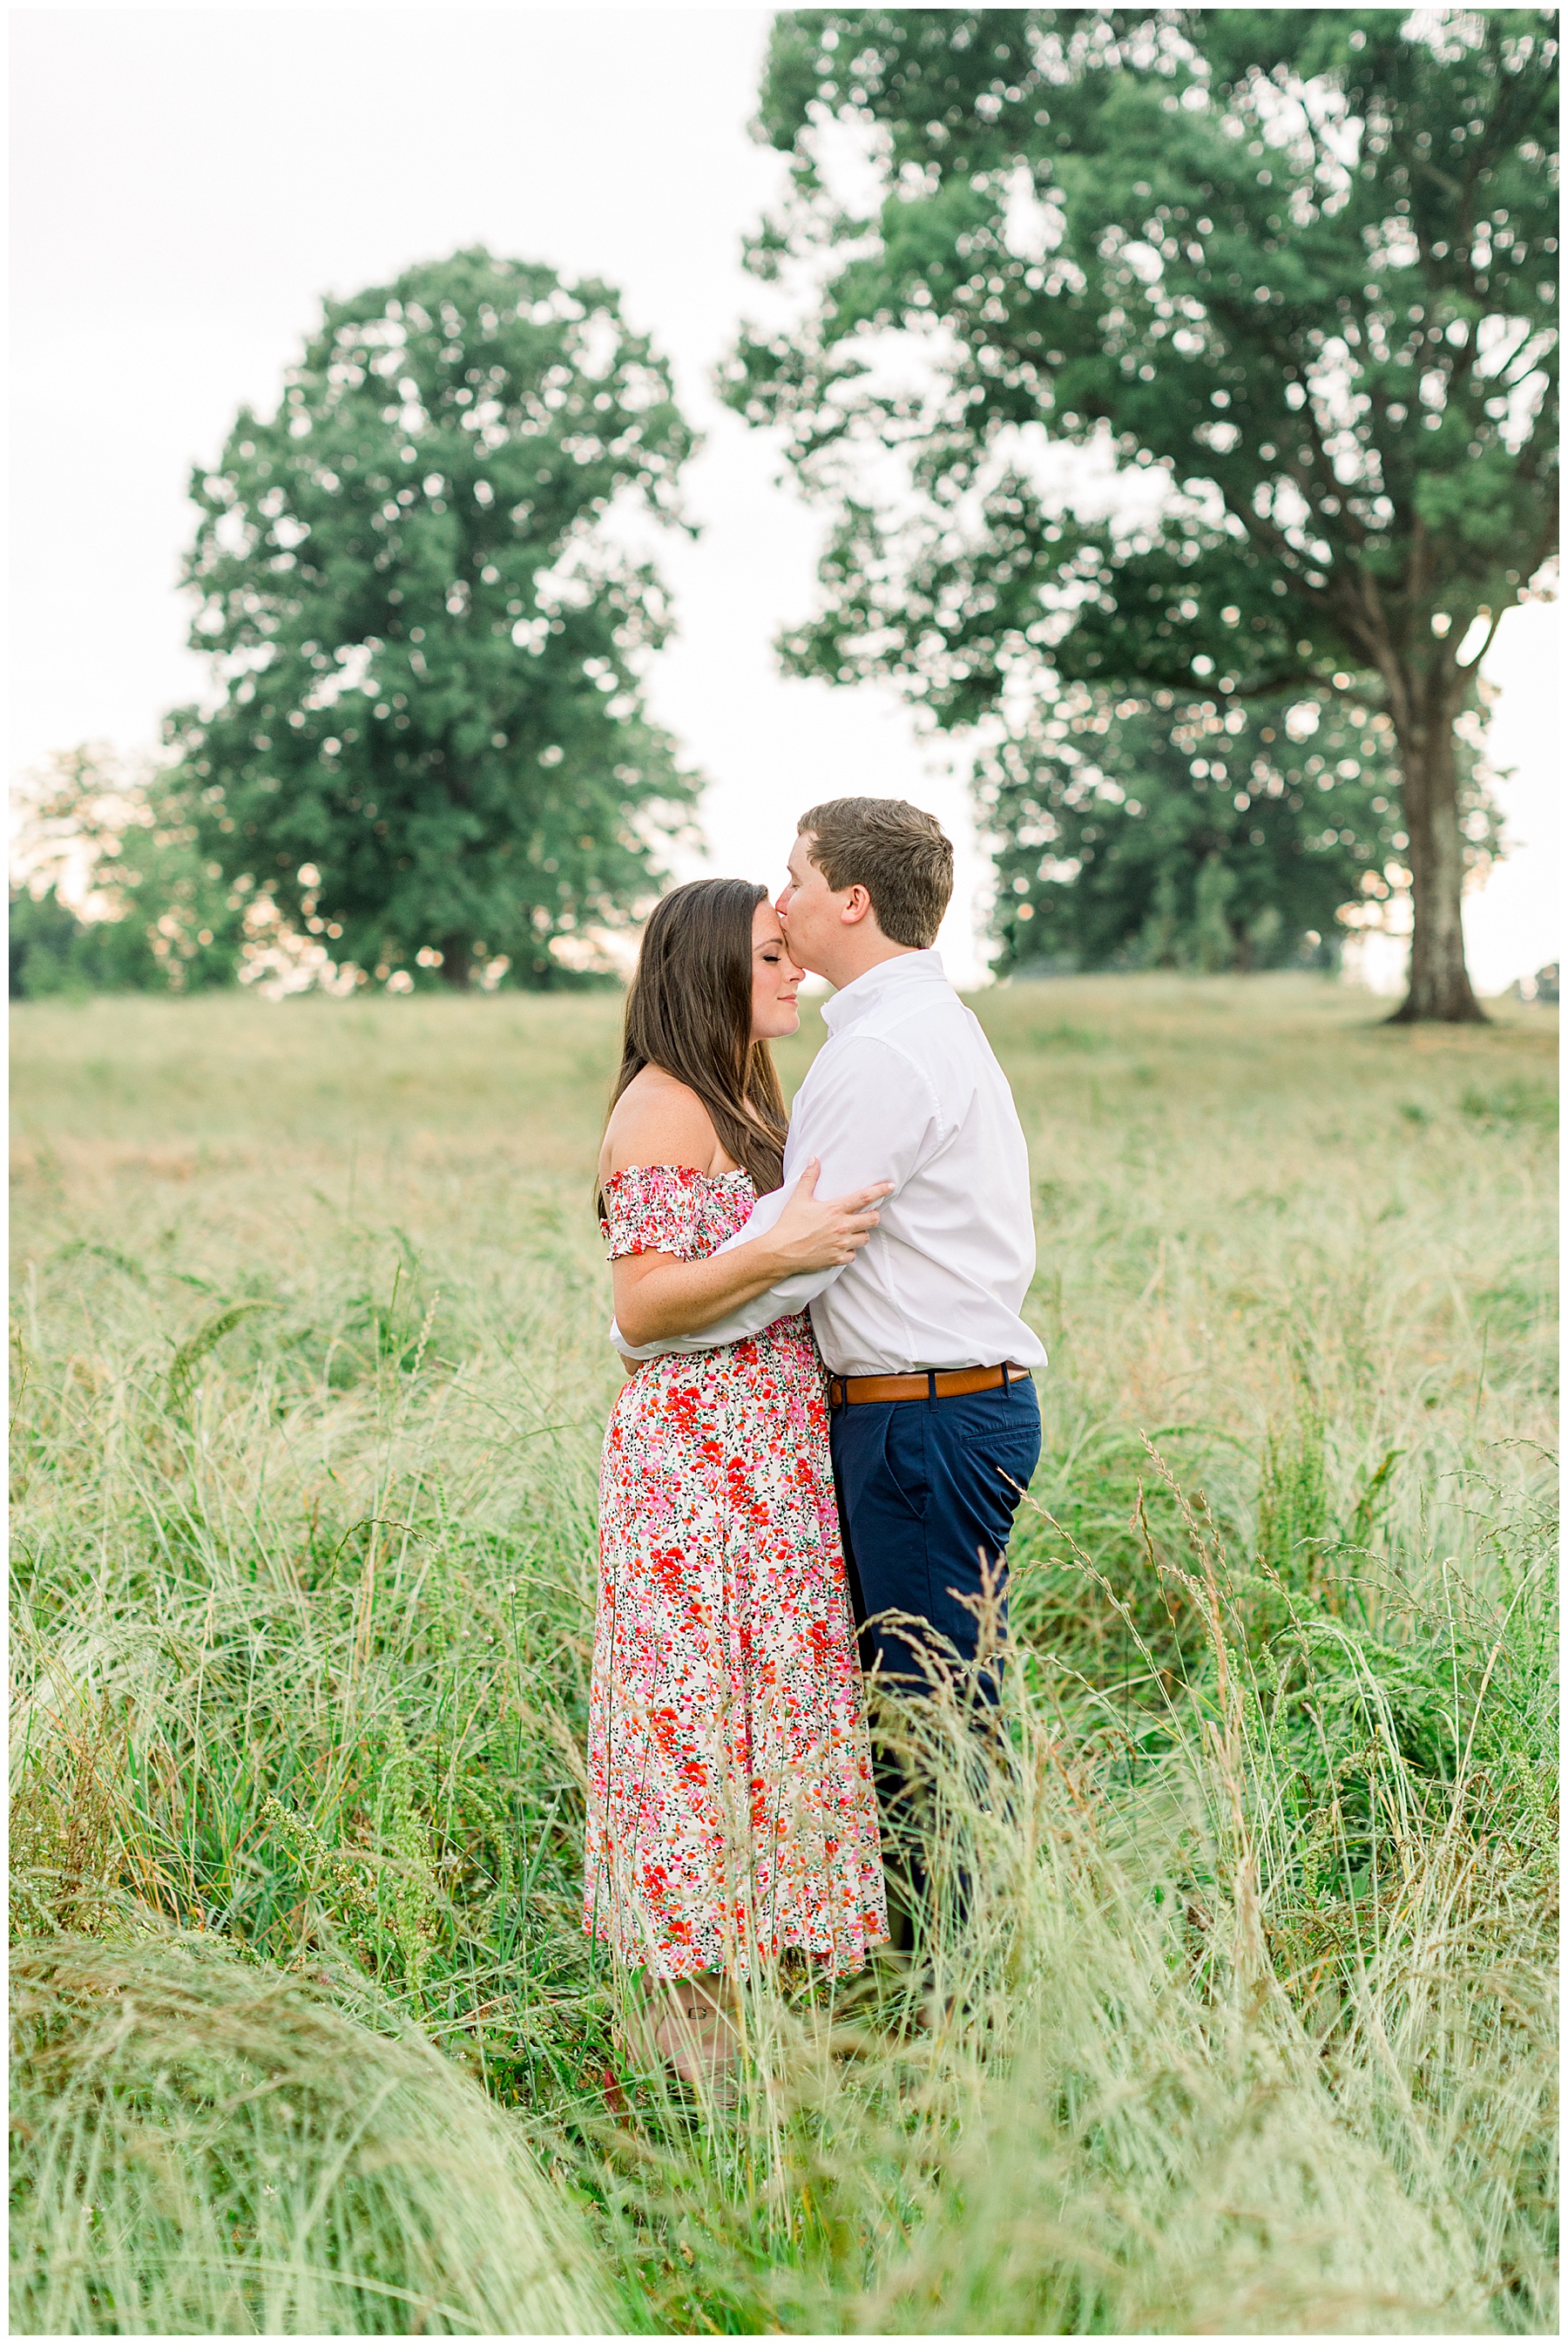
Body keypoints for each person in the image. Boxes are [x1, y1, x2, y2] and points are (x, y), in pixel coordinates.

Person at [614, 799, 1045, 1940]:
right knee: (927, 1708)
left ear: (851, 900)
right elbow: (785, 1227)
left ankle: (946, 2001)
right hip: (933, 1408)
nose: (786, 899)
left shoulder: (881, 1052)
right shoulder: (900, 1033)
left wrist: (643, 1328)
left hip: (923, 1417)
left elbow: (799, 1253)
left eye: (797, 878)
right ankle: (938, 1979)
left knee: (924, 1722)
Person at [585, 877, 891, 2083]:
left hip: (770, 1451)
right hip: (696, 1467)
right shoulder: (663, 1109)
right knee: (694, 1733)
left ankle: (782, 2034)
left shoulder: (745, 1094)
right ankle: (689, 2058)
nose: (794, 972)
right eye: (770, 956)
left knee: (777, 1720)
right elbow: (644, 1298)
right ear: (709, 966)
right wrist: (782, 1246)